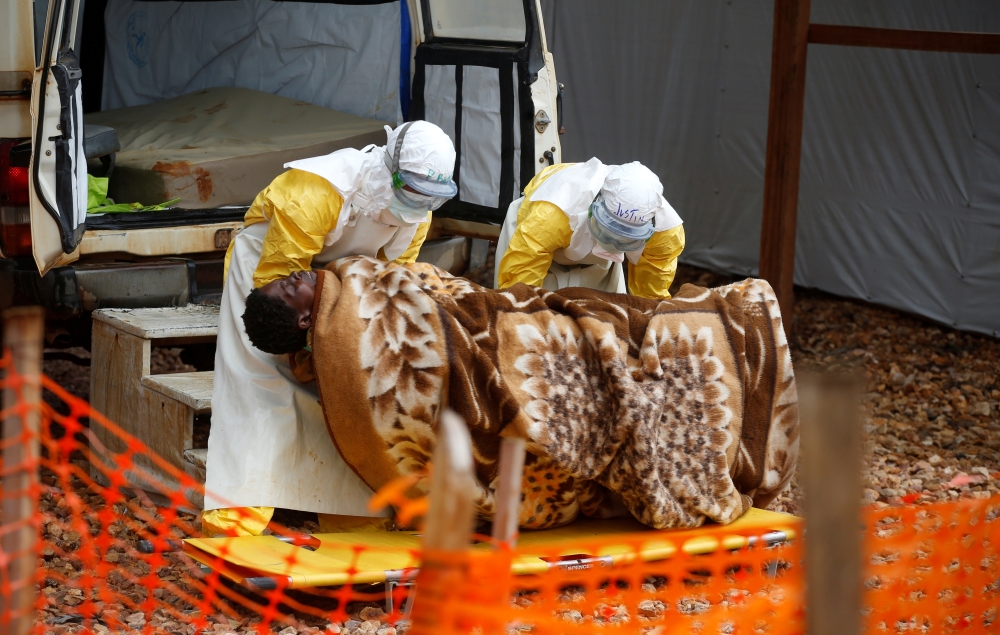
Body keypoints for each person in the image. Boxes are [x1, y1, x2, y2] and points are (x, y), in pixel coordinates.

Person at [240, 257, 799, 532]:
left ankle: (723, 327)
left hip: (502, 316)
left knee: (612, 321)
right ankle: (737, 329)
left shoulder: (346, 288)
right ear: (309, 317)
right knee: (611, 358)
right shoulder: (344, 340)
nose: (304, 274)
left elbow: (445, 293)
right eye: (294, 286)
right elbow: (406, 380)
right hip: (509, 345)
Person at [203, 121, 458, 536]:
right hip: (275, 282)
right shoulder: (317, 190)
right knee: (258, 389)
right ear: (388, 166)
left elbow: (390, 278)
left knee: (342, 396)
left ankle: (352, 520)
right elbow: (280, 283)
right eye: (410, 191)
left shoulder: (416, 213)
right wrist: (304, 345)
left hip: (335, 288)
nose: (416, 205)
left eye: (429, 198)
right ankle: (235, 523)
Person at [495, 159, 685, 298]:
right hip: (534, 238)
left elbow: (650, 294)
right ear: (595, 208)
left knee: (605, 317)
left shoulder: (665, 234)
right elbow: (519, 284)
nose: (613, 245)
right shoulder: (554, 210)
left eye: (625, 239)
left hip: (593, 257)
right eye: (609, 232)